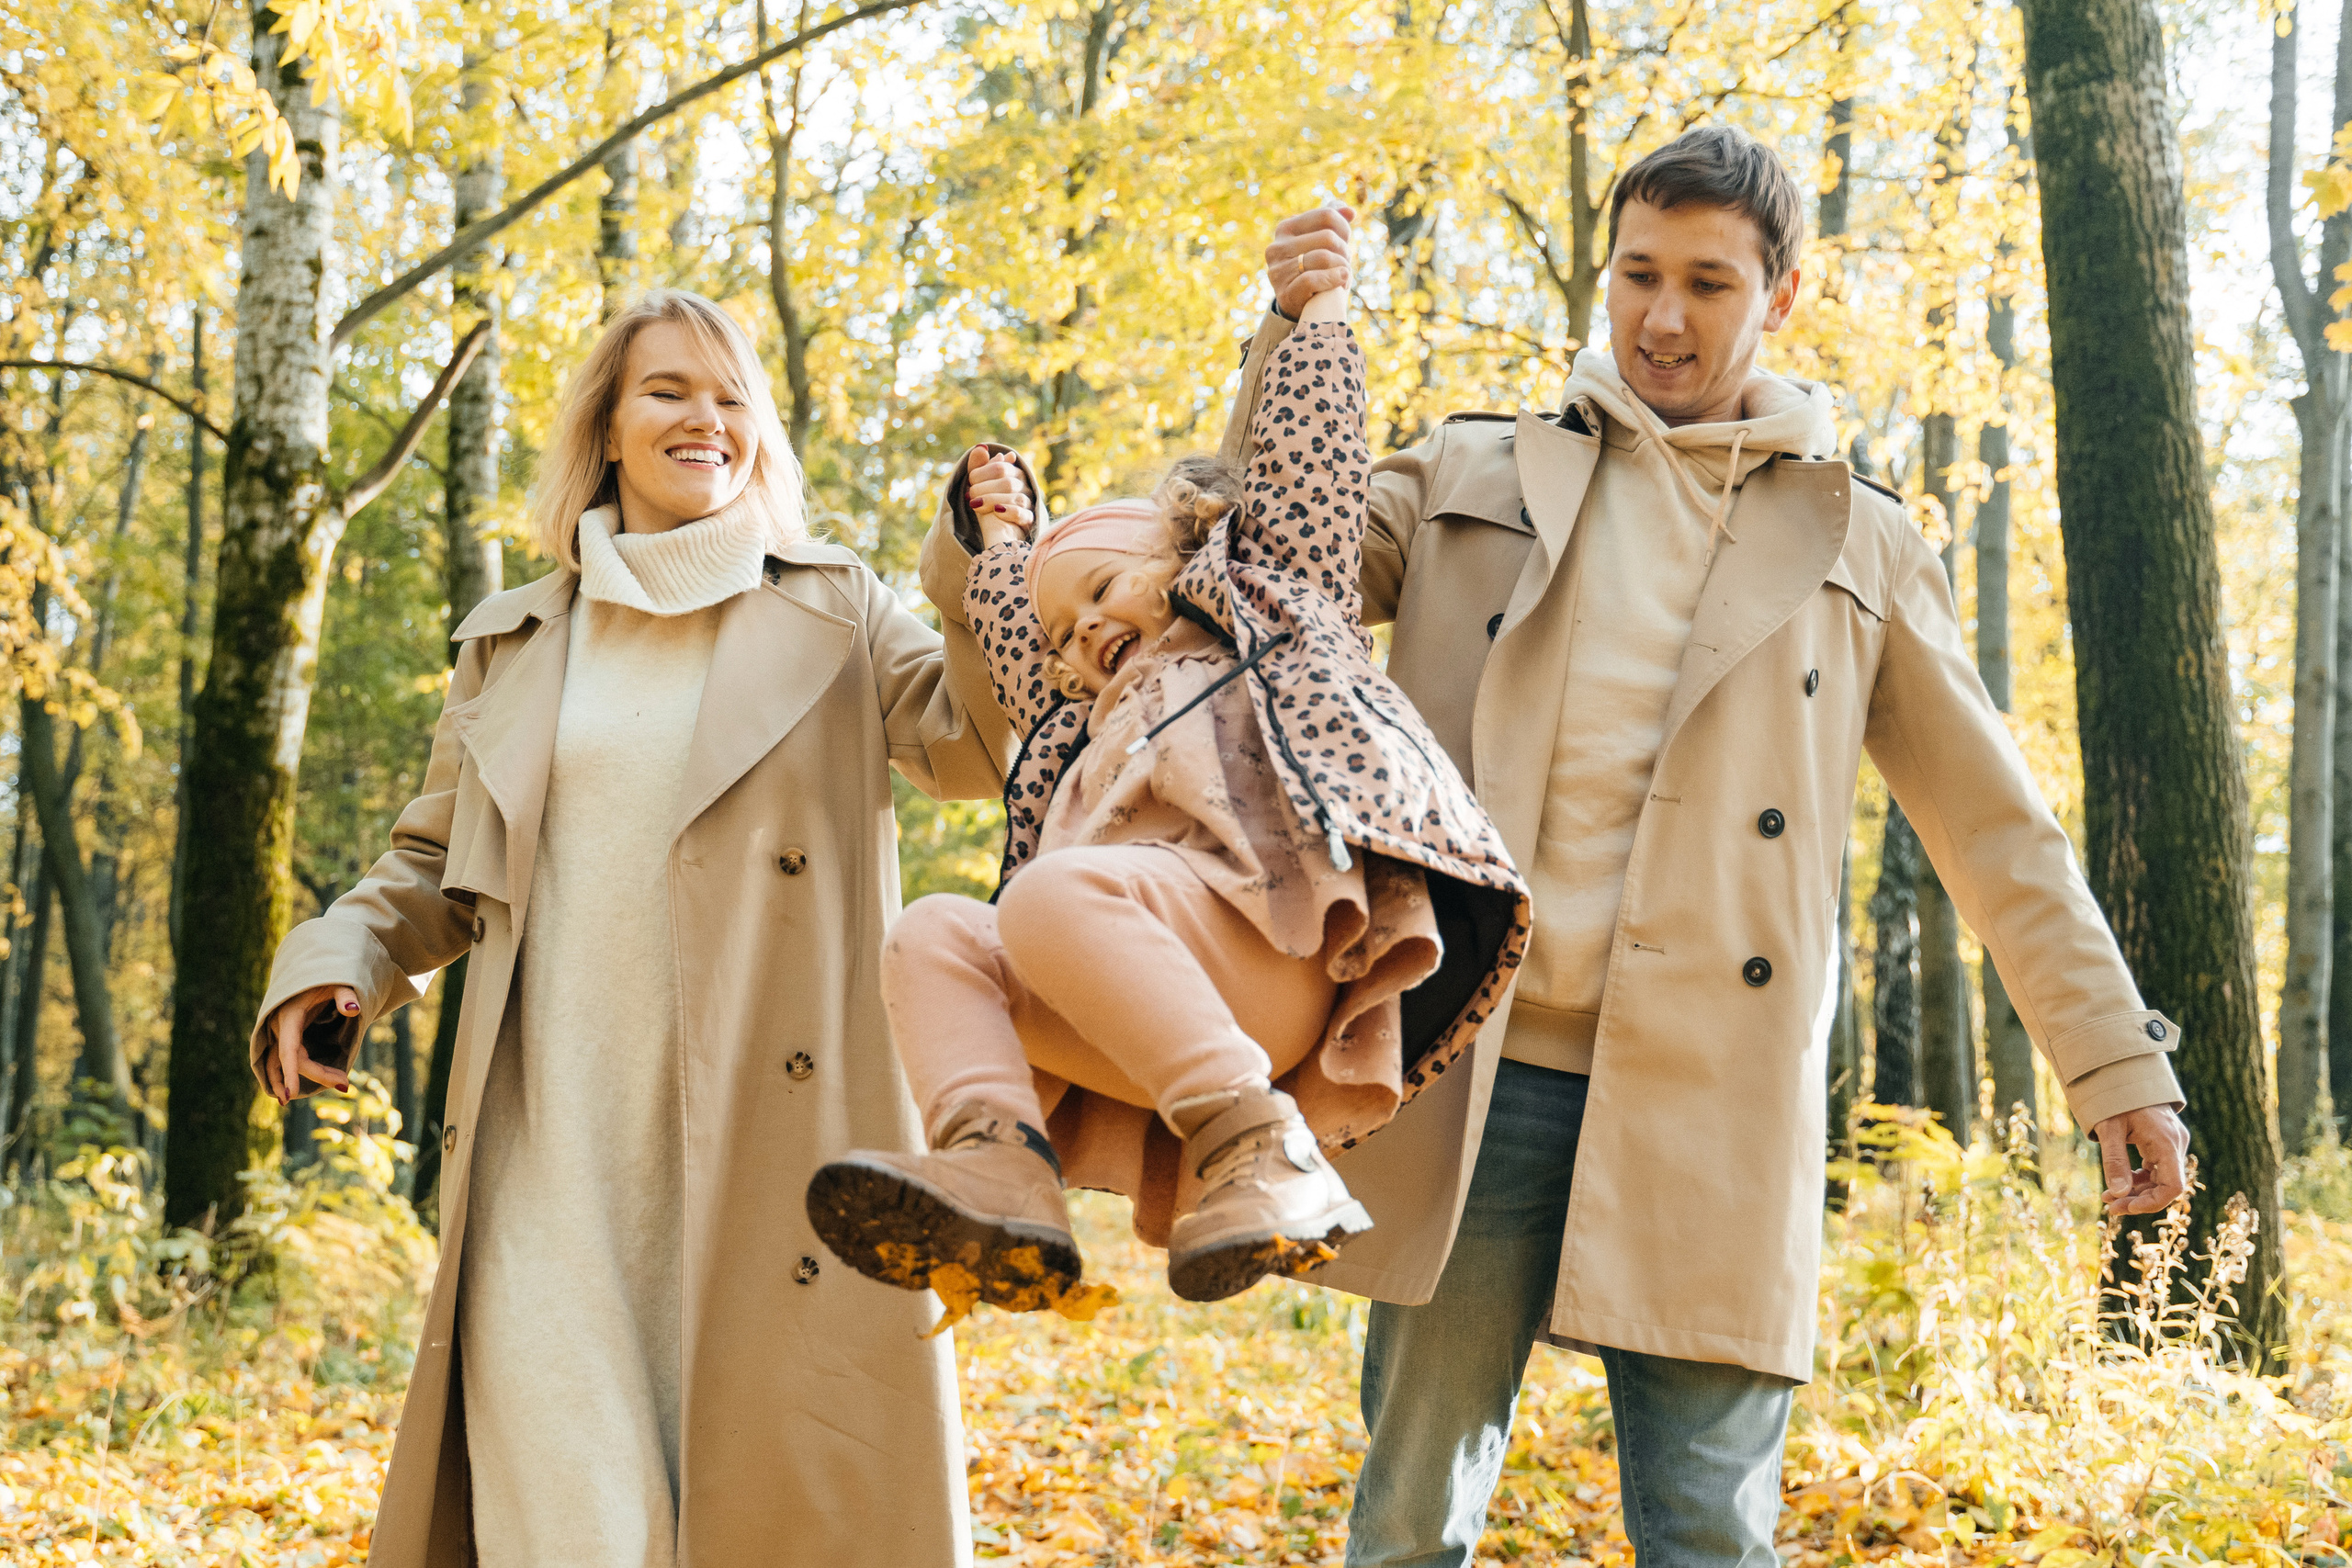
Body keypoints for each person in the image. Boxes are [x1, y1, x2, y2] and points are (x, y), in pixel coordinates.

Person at [1211, 125, 2193, 1565]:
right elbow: (1266, 554)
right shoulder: (1472, 470)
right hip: (1473, 1067)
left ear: (1781, 296)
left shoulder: (1859, 539)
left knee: (1711, 1533)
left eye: (1710, 285)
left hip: (1714, 1091)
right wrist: (1294, 337)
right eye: (1638, 274)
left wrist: (2116, 1066)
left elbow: (2000, 832)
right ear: (1606, 275)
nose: (1664, 318)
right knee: (1412, 1513)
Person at [251, 289, 1013, 1568]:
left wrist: (980, 567)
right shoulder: (518, 640)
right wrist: (338, 960)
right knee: (570, 1527)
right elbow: (434, 859)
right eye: (667, 390)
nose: (701, 418)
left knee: (774, 1519)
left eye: (729, 397)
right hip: (550, 1158)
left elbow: (976, 745)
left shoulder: (837, 610)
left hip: (776, 1158)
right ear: (606, 423)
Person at [808, 279, 1531, 1313]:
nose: (1082, 635)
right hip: (1135, 968)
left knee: (1049, 896)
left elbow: (1308, 468)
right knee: (934, 932)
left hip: (1272, 946)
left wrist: (1314, 315)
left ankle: (1263, 1148)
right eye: (1064, 635)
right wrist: (999, 534)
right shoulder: (1083, 716)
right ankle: (1000, 1167)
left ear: (1183, 554)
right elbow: (1015, 628)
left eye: (1102, 591)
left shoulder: (1265, 615)